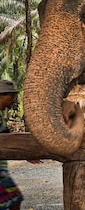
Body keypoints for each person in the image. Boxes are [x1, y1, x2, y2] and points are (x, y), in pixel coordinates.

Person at [0, 80, 23, 210]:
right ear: (1, 95)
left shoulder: (0, 115)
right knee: (15, 200)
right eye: (10, 97)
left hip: (2, 170)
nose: (12, 101)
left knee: (15, 200)